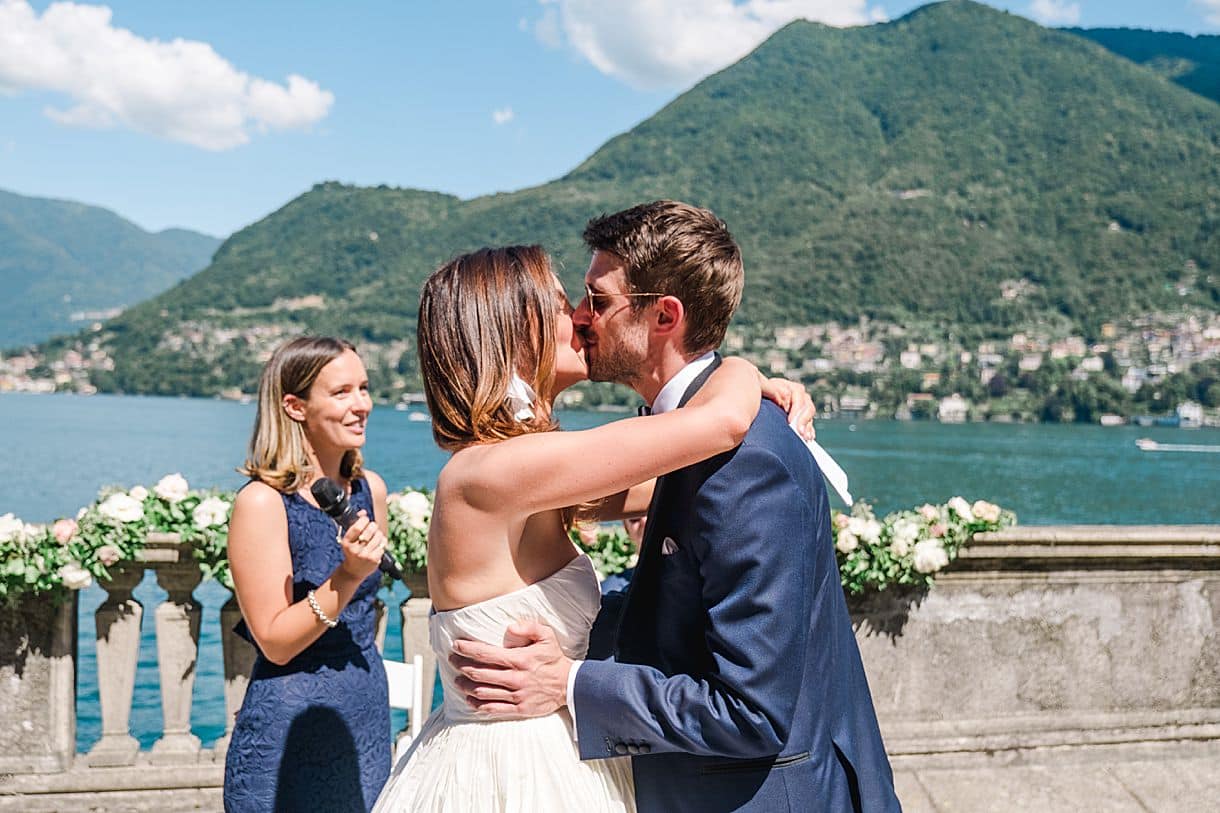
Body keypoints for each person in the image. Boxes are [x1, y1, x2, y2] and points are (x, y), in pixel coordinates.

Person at [451, 202, 901, 812]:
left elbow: (752, 711)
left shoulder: (747, 462)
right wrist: (741, 373)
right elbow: (677, 616)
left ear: (664, 314)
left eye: (599, 299)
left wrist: (569, 682)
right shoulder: (684, 436)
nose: (583, 319)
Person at [371, 245, 811, 812]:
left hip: (551, 749)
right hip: (510, 772)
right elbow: (720, 424)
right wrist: (742, 373)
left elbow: (676, 481)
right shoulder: (491, 472)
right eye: (560, 305)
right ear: (513, 327)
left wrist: (757, 412)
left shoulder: (525, 472)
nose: (582, 316)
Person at [224, 336, 392, 813]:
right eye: (342, 392)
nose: (362, 405)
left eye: (364, 388)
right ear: (295, 407)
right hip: (289, 731)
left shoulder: (370, 490)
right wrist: (348, 576)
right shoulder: (262, 502)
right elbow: (275, 642)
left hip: (364, 717)